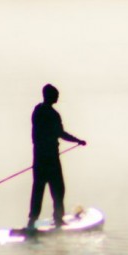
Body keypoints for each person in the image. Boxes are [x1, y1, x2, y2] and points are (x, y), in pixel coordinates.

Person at [28, 83, 85, 231]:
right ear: (50, 96)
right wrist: (78, 141)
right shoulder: (53, 114)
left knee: (38, 190)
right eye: (56, 95)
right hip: (51, 159)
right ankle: (58, 220)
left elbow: (38, 135)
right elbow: (61, 133)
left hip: (39, 158)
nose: (58, 97)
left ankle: (32, 222)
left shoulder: (37, 111)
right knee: (58, 189)